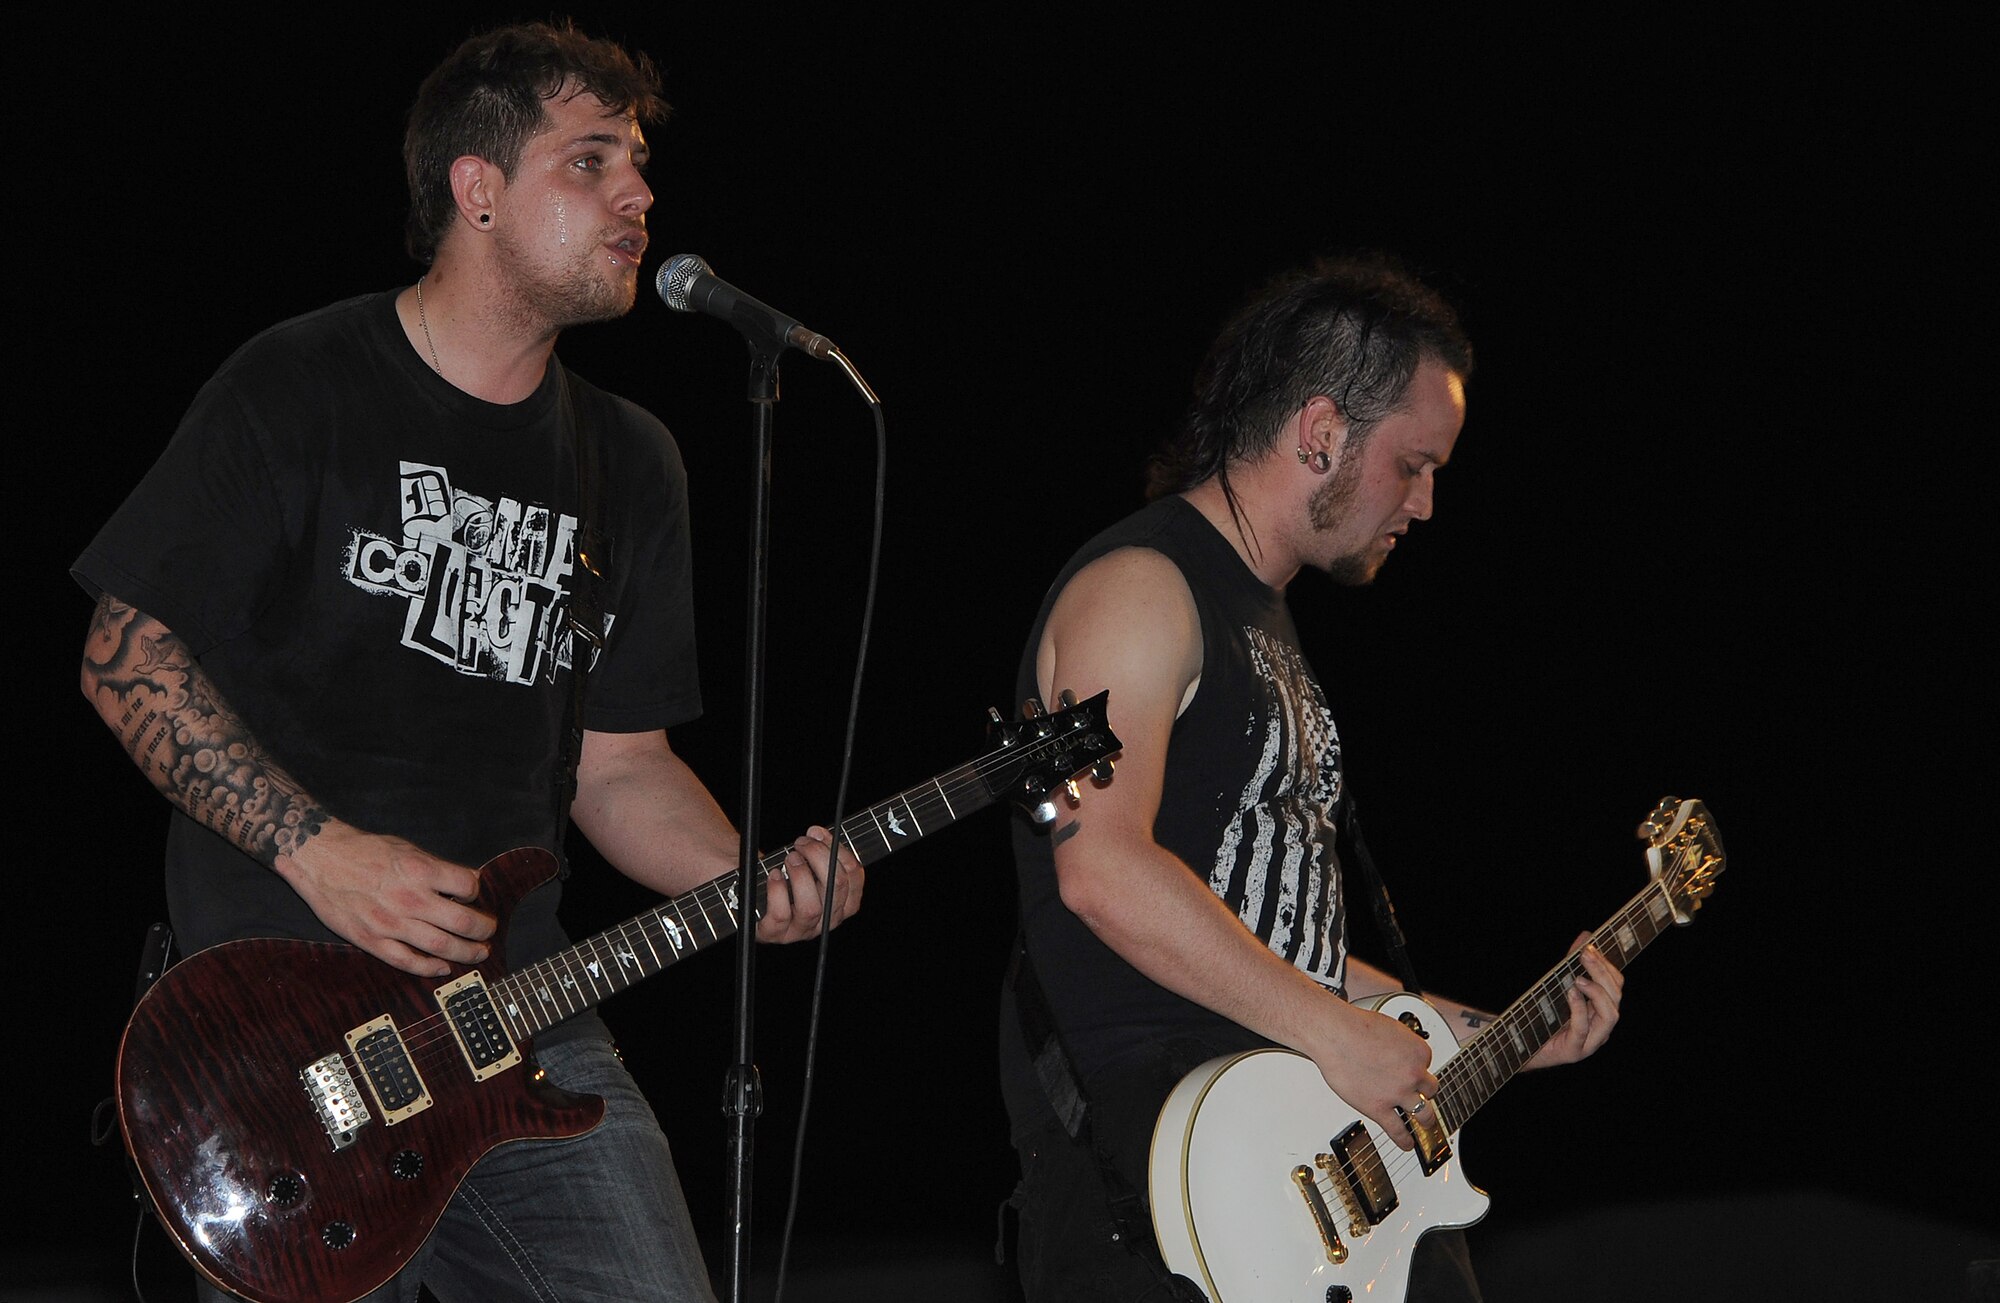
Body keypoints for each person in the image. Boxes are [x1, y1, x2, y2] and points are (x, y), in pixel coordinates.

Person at [75, 21, 859, 1303]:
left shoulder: (632, 461)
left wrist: (750, 873)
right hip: (273, 1045)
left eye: (641, 165)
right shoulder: (300, 385)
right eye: (592, 161)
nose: (640, 196)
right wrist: (323, 853)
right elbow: (124, 658)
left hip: (519, 1013)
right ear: (476, 187)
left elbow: (620, 770)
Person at [997, 254, 1625, 1302]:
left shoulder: (1265, 620)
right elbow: (1099, 870)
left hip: (1302, 1150)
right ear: (1319, 431)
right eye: (1412, 463)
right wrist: (1336, 1033)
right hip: (1171, 1176)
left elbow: (1268, 930)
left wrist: (1489, 1034)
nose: (1423, 504)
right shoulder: (1140, 587)